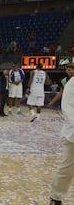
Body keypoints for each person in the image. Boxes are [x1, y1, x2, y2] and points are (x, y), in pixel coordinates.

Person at [49, 76, 74, 205]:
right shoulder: (72, 83)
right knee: (67, 168)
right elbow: (68, 107)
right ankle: (55, 197)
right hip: (72, 134)